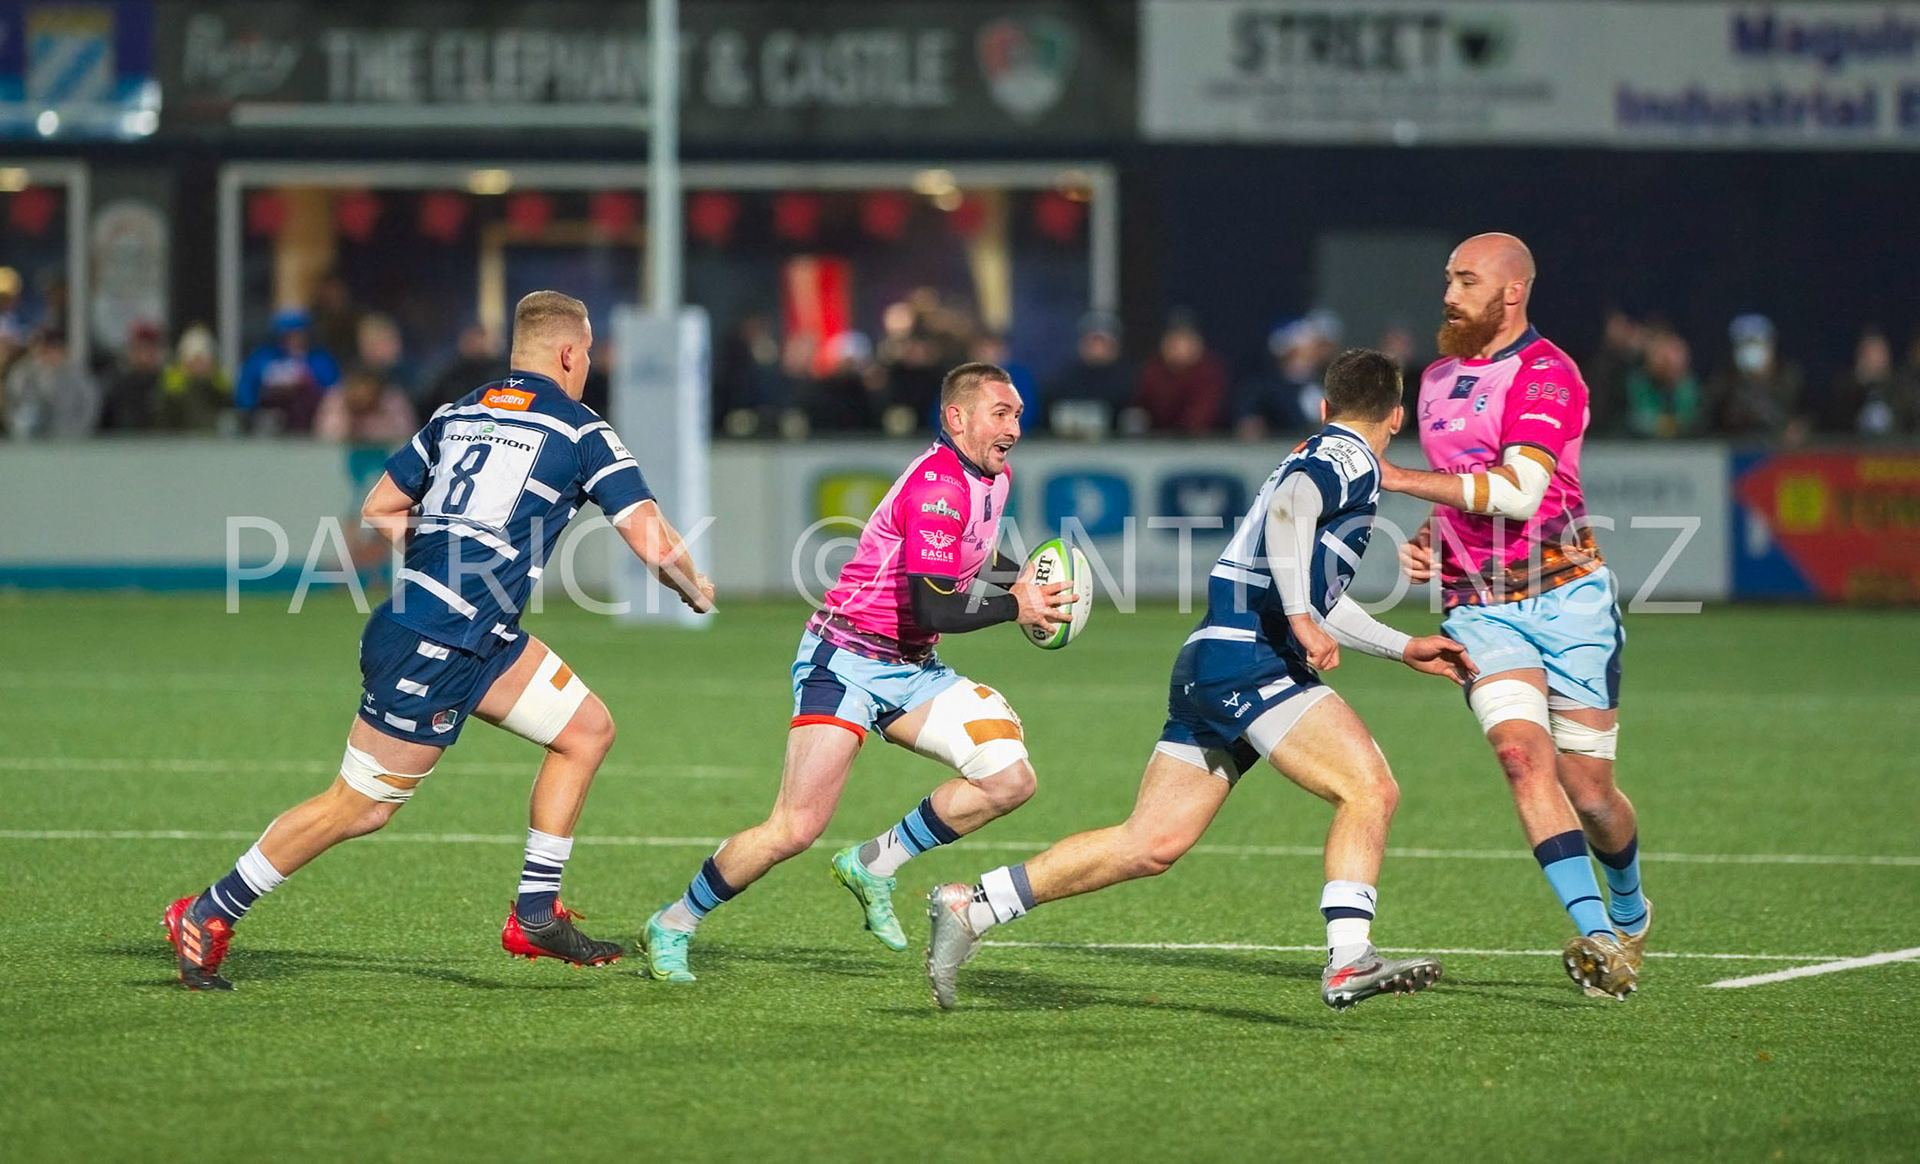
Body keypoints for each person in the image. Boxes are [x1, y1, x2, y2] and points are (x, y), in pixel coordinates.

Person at [163, 290, 716, 991]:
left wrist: (444, 559)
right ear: (571, 353)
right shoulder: (580, 430)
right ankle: (210, 911)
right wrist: (693, 587)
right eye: (587, 355)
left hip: (473, 632)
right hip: (438, 640)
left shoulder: (458, 413)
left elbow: (379, 508)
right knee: (359, 806)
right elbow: (651, 539)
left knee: (586, 730)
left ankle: (537, 914)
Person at [926, 349, 1472, 1011]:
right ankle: (1350, 958)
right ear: (1397, 415)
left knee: (1150, 843)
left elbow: (1304, 574)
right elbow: (1291, 514)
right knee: (1369, 789)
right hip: (1253, 657)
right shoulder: (1350, 457)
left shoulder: (1320, 448)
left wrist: (1402, 644)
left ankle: (971, 908)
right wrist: (1300, 618)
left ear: (1325, 405)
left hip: (1216, 658)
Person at [638, 362, 1074, 983]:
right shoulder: (938, 487)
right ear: (957, 418)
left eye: (1018, 416)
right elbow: (934, 604)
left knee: (1009, 779)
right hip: (844, 661)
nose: (1015, 428)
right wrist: (1016, 606)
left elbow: (970, 558)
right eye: (1001, 414)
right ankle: (674, 922)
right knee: (793, 828)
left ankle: (874, 863)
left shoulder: (990, 479)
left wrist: (1016, 577)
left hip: (912, 667)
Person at [1384, 232, 1649, 1001]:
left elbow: (1521, 492)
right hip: (1478, 608)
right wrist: (1434, 535)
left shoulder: (1547, 373)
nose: (1448, 292)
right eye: (1447, 277)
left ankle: (1630, 912)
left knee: (1591, 792)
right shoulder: (1433, 378)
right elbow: (1467, 486)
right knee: (1521, 759)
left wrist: (1399, 479)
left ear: (1511, 293)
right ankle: (1599, 936)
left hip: (1568, 599)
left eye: (1465, 280)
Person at [236, 307, 340, 434]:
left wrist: (305, 384)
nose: (294, 339)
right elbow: (245, 393)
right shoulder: (262, 357)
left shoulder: (320, 358)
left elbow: (333, 391)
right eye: (288, 335)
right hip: (266, 422)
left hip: (311, 424)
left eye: (299, 334)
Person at [1706, 313, 1806, 444]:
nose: (1751, 350)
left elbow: (1809, 416)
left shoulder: (1790, 377)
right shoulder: (1723, 381)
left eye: (1756, 343)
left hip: (1781, 455)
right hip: (1737, 454)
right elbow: (1711, 422)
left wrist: (1800, 428)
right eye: (1744, 344)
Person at [1133, 312, 1228, 434]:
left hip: (1202, 445)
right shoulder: (1152, 370)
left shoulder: (1209, 371)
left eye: (1186, 342)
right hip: (1157, 444)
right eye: (1174, 342)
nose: (1180, 349)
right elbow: (1140, 410)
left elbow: (1198, 421)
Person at [1044, 311, 1134, 436]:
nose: (1097, 348)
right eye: (1093, 342)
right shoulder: (1066, 378)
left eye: (1103, 343)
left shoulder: (1127, 381)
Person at [3, 326, 99, 439]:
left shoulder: (77, 375)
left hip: (69, 439)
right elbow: (10, 404)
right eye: (45, 349)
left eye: (54, 348)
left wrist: (75, 434)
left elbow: (90, 407)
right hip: (30, 441)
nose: (50, 354)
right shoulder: (22, 374)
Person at [1623, 327, 1705, 439]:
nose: (1667, 361)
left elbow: (1693, 421)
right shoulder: (1636, 384)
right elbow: (1636, 420)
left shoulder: (1692, 387)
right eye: (1660, 354)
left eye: (1674, 354)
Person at [314, 364, 418, 445]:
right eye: (357, 387)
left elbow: (404, 440)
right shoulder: (335, 400)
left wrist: (372, 421)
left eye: (367, 388)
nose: (362, 394)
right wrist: (350, 416)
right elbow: (326, 441)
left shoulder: (393, 401)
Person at [154, 324, 232, 432]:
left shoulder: (221, 390)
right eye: (194, 360)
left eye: (202, 360)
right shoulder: (171, 394)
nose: (198, 365)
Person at [99, 321, 167, 432]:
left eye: (149, 349)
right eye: (139, 349)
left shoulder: (168, 385)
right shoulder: (115, 386)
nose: (144, 356)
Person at [424, 323, 504, 413]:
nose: (476, 343)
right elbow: (430, 400)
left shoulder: (500, 371)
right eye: (471, 339)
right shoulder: (451, 372)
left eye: (480, 338)